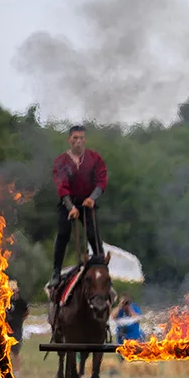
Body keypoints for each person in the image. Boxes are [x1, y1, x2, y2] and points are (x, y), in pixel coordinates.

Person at [49, 124, 108, 290]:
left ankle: (102, 268)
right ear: (69, 140)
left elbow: (101, 180)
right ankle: (56, 271)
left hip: (87, 201)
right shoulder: (61, 161)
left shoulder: (94, 158)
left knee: (93, 235)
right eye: (75, 138)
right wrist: (70, 207)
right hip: (67, 201)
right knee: (63, 234)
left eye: (81, 138)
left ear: (85, 139)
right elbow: (61, 186)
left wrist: (92, 198)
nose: (78, 141)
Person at [7, 280, 29, 362]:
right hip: (7, 329)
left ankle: (17, 371)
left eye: (13, 290)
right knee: (6, 351)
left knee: (16, 352)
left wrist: (20, 320)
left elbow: (26, 312)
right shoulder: (6, 301)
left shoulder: (21, 302)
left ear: (17, 290)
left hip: (17, 329)